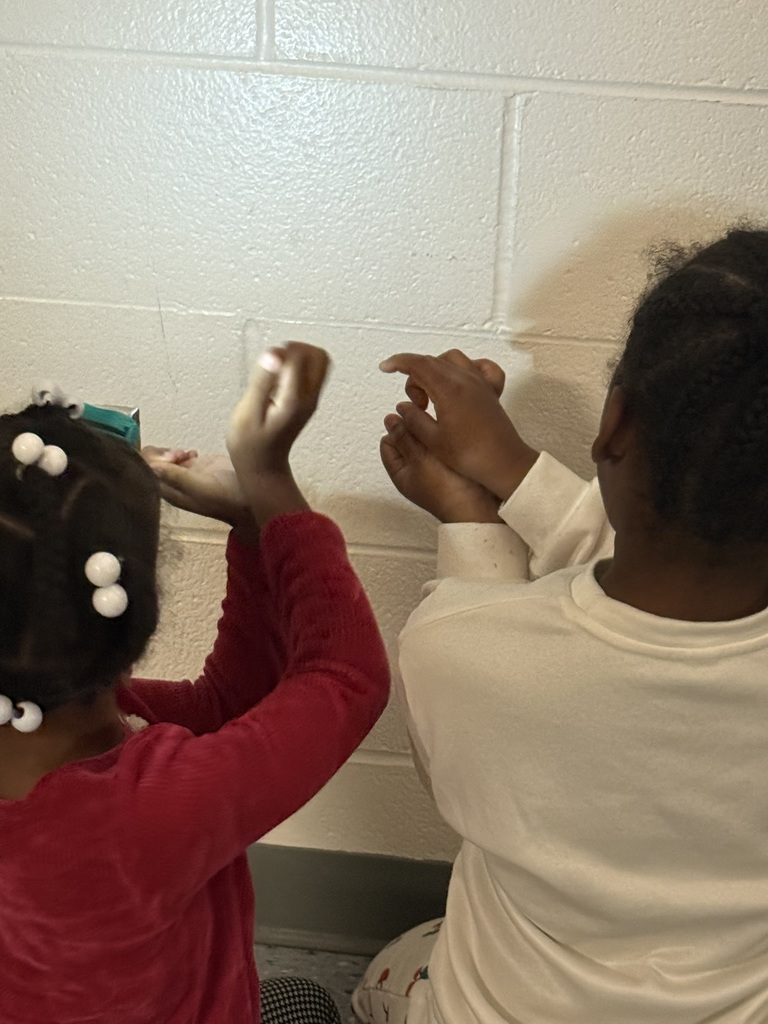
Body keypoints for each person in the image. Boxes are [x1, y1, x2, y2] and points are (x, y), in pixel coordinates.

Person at [353, 228, 768, 1023]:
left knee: (381, 971)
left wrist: (469, 516)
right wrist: (512, 474)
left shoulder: (453, 651)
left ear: (614, 423)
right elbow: (686, 581)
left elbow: (464, 777)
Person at [0, 343, 390, 1024]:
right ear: (130, 619)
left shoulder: (58, 730)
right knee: (307, 1004)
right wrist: (269, 492)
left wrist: (250, 530)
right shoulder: (150, 811)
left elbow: (224, 705)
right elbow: (346, 676)